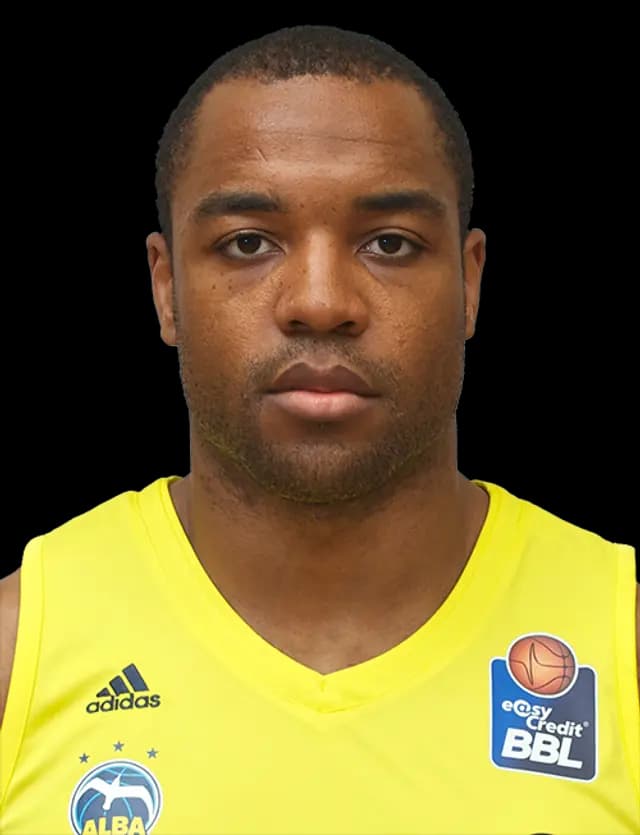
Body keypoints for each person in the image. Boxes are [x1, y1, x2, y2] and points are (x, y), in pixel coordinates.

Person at [0, 24, 637, 835]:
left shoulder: (622, 643)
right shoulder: (17, 650)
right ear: (166, 288)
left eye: (390, 243)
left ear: (469, 282)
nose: (321, 301)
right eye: (248, 243)